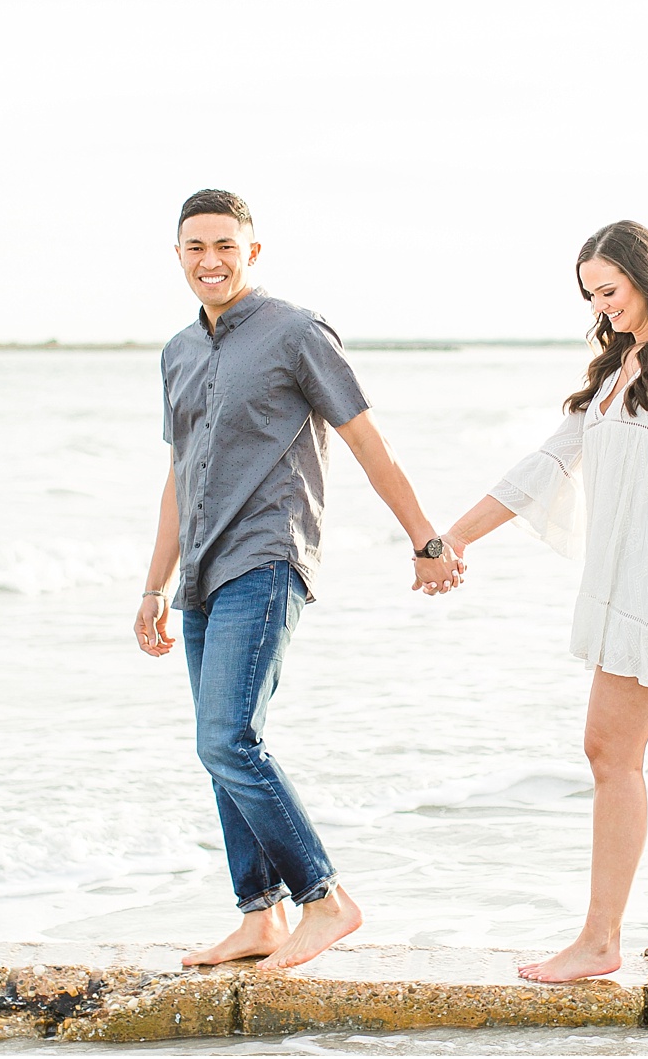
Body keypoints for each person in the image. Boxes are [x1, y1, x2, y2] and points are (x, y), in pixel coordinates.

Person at [135, 189, 465, 971]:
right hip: (204, 572)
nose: (209, 261)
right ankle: (259, 917)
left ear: (252, 251)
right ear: (177, 255)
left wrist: (425, 537)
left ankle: (324, 899)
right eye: (194, 248)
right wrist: (153, 586)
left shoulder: (296, 332)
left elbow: (366, 439)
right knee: (217, 747)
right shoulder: (178, 351)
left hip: (269, 554)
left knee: (227, 737)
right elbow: (178, 477)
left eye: (224, 245)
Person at [440, 220, 648, 983]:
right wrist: (453, 537)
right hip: (627, 582)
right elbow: (545, 464)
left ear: (645, 277)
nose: (604, 304)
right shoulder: (619, 370)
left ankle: (599, 941)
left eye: (611, 289)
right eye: (592, 295)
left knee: (608, 753)